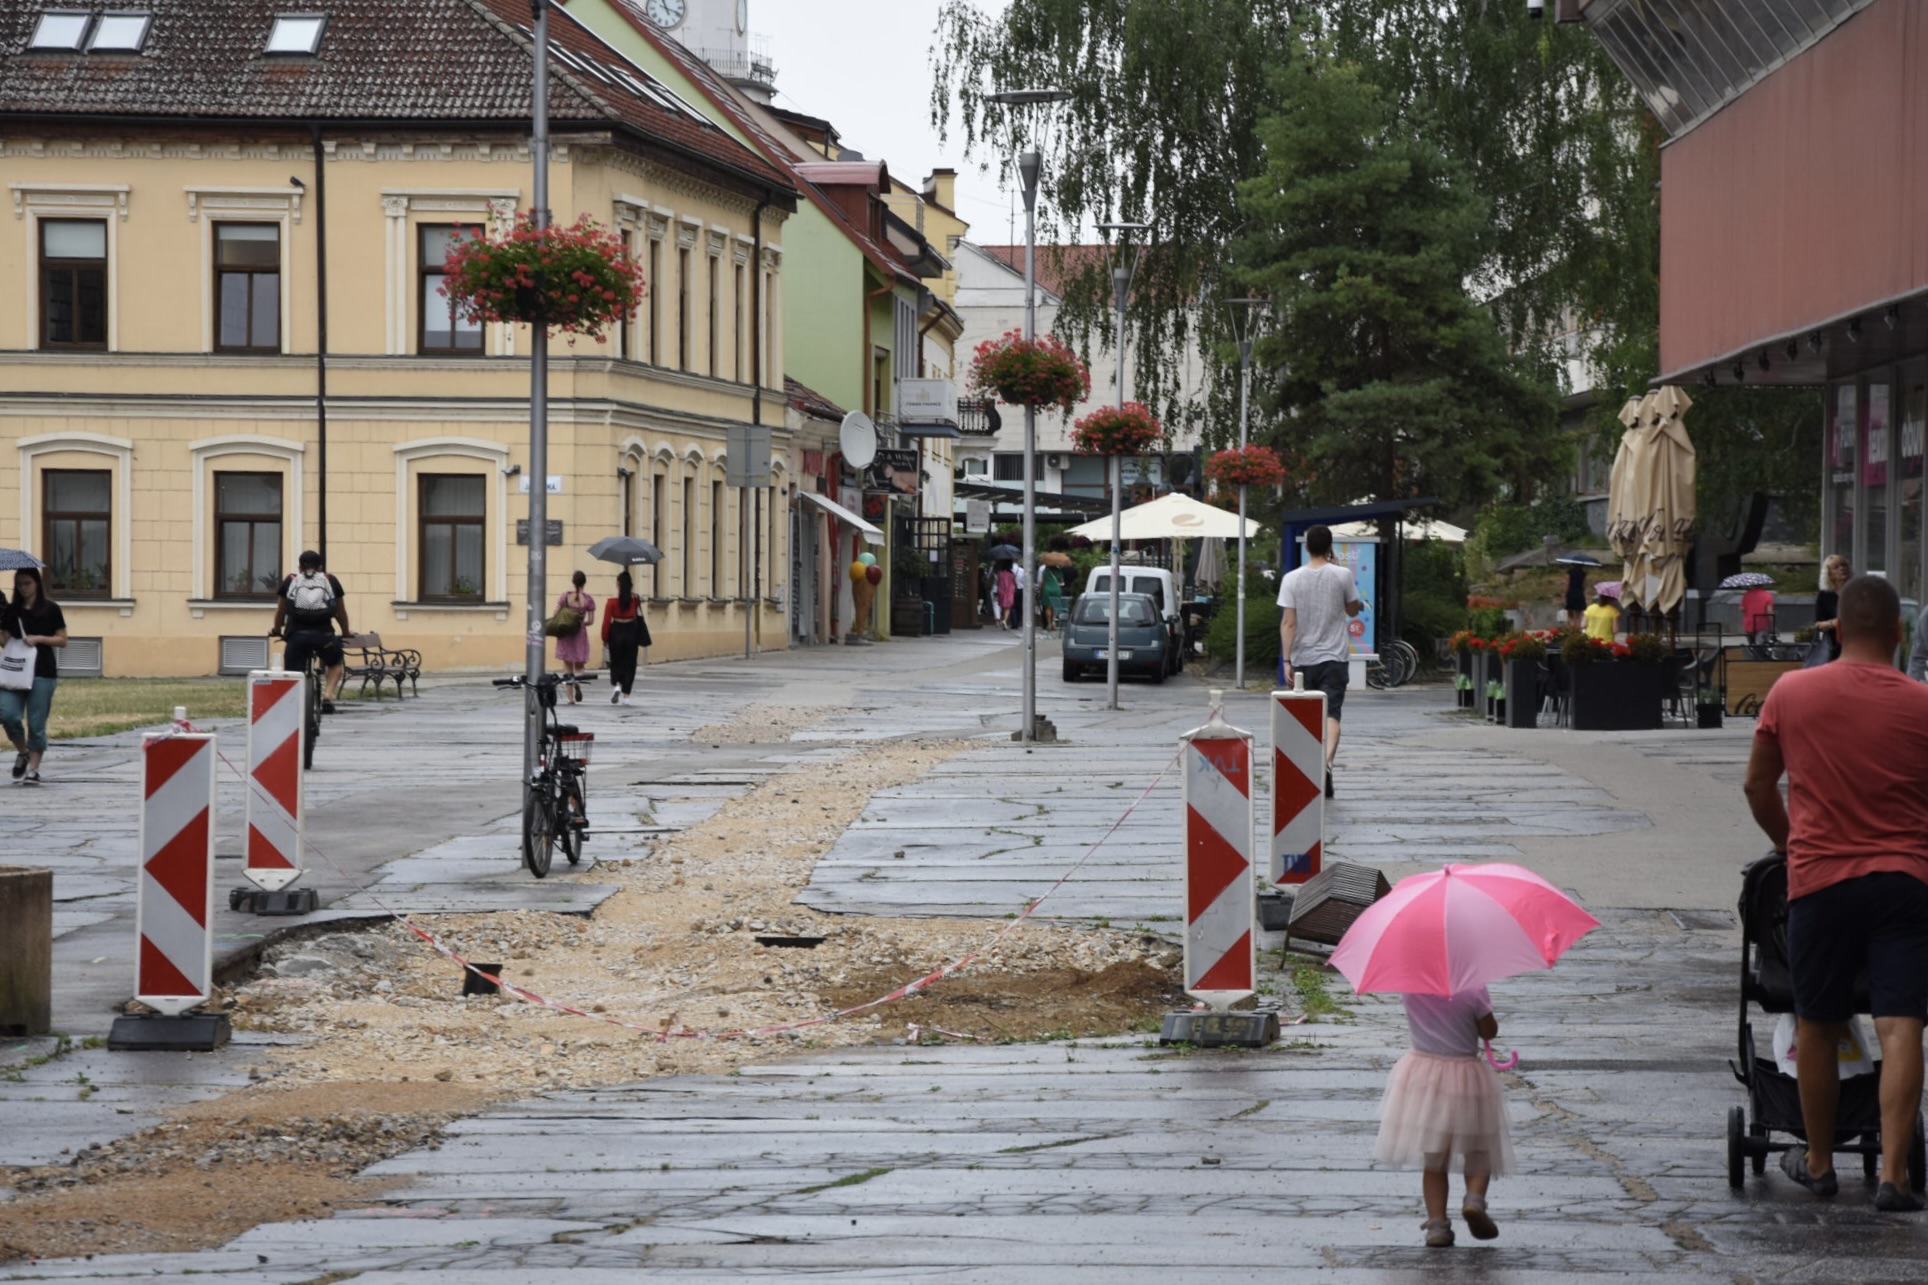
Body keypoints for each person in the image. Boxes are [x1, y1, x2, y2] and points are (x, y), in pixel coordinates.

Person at [1743, 573, 1928, 1212]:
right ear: (1899, 634)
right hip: (1906, 882)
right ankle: (1894, 1176)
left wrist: (1791, 843)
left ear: (1839, 629)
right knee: (1903, 1025)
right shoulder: (1922, 703)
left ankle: (1820, 1163)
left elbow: (1756, 787)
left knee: (1817, 1023)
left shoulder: (1792, 692)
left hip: (1820, 881)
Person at [1375, 986, 1513, 1248]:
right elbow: (1489, 1031)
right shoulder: (1472, 989)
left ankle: (1437, 1225)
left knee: (1434, 1158)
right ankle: (1473, 1200)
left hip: (1423, 1075)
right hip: (1466, 1075)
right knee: (1479, 1151)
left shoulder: (1412, 989)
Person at [1277, 524, 1363, 798]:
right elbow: (1352, 610)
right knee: (1331, 713)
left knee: (1304, 718)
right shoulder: (1342, 575)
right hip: (1335, 657)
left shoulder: (1291, 579)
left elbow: (1289, 623)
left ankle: (1305, 772)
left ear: (1306, 547)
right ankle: (1324, 763)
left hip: (1303, 659)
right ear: (1329, 547)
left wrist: (1287, 661)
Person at [2, 567, 68, 785]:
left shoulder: (50, 609)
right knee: (8, 714)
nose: (23, 588)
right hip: (16, 671)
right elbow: (5, 641)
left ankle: (33, 769)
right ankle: (23, 751)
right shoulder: (12, 611)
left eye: (27, 583)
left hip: (42, 671)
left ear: (37, 584)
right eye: (19, 584)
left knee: (36, 722)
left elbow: (62, 639)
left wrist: (39, 638)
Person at [269, 550, 350, 713]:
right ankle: (327, 695)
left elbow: (281, 611)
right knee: (335, 664)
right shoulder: (330, 580)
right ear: (320, 567)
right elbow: (340, 612)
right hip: (324, 636)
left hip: (296, 636)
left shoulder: (291, 580)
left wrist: (277, 630)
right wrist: (346, 632)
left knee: (293, 673)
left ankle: (294, 703)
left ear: (299, 567)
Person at [600, 571, 649, 705]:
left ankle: (616, 685)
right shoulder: (635, 599)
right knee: (630, 664)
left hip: (616, 632)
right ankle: (626, 696)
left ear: (618, 584)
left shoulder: (611, 601)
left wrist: (605, 638)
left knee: (616, 662)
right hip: (631, 632)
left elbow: (606, 621)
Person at [553, 570, 596, 703]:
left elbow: (555, 613)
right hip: (580, 634)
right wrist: (581, 624)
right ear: (584, 582)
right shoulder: (588, 599)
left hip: (566, 633)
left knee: (567, 665)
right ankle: (577, 681)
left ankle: (570, 698)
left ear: (573, 581)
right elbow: (591, 621)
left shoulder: (565, 596)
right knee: (578, 665)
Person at [1813, 555, 1850, 662]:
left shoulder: (1855, 591)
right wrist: (1833, 623)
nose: (1842, 569)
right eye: (1836, 567)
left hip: (1855, 644)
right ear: (1829, 574)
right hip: (1834, 646)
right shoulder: (1824, 595)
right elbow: (1818, 624)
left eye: (1844, 565)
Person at [993, 561, 1016, 632]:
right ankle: (1005, 620)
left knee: (1003, 606)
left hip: (1001, 591)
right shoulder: (1012, 574)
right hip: (1009, 591)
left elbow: (997, 582)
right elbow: (1014, 582)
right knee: (1008, 607)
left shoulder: (999, 573)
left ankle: (1003, 619)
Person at [1563, 565, 1588, 630]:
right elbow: (1584, 585)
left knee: (1570, 614)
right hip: (1579, 593)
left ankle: (1572, 627)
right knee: (1578, 615)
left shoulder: (1569, 573)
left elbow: (1567, 584)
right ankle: (1577, 628)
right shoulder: (1583, 573)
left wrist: (1565, 594)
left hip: (1571, 593)